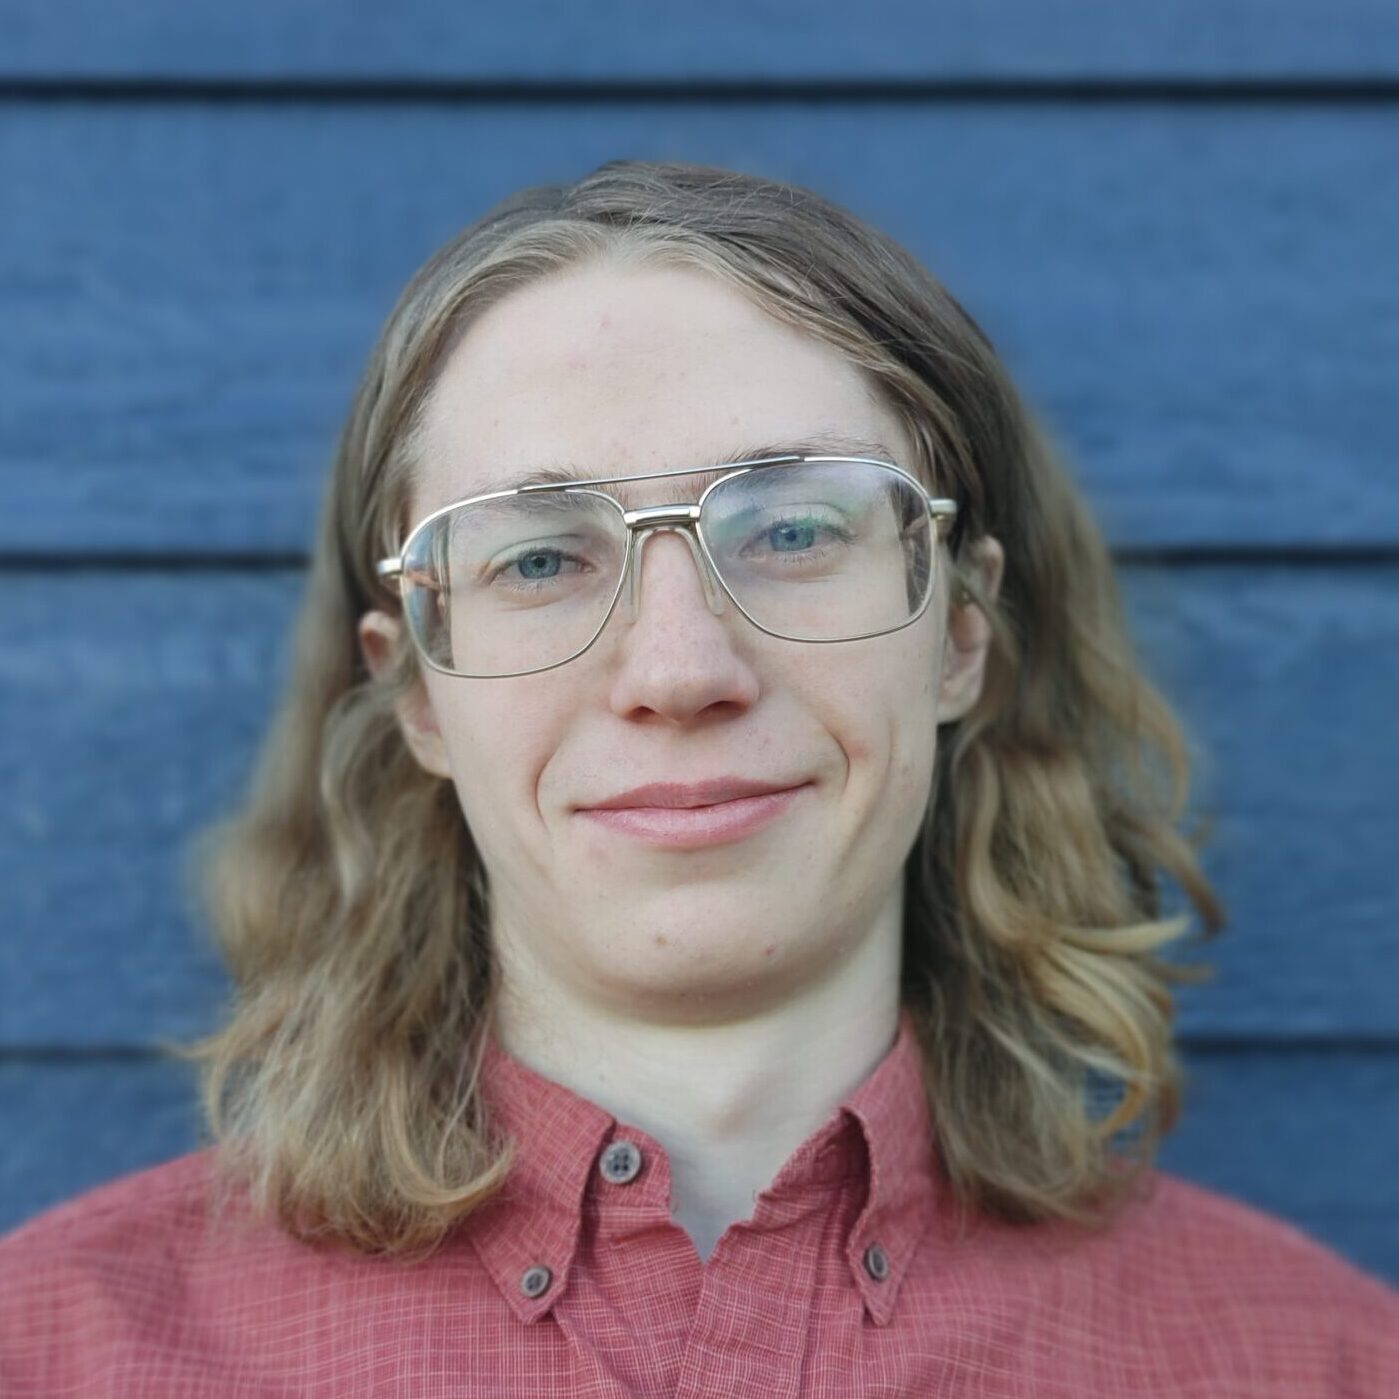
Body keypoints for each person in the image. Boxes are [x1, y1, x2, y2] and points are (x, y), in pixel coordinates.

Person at [1, 159, 1395, 1397]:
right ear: (417, 688)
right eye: (540, 558)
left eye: (793, 527)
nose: (677, 667)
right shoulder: (57, 1355)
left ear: (961, 634)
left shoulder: (1316, 1364)